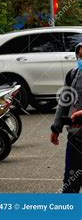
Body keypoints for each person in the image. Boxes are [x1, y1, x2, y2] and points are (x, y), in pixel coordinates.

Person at [50, 42, 82, 193]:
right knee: (70, 183)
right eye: (81, 56)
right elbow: (64, 101)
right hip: (75, 138)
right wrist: (56, 127)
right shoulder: (73, 74)